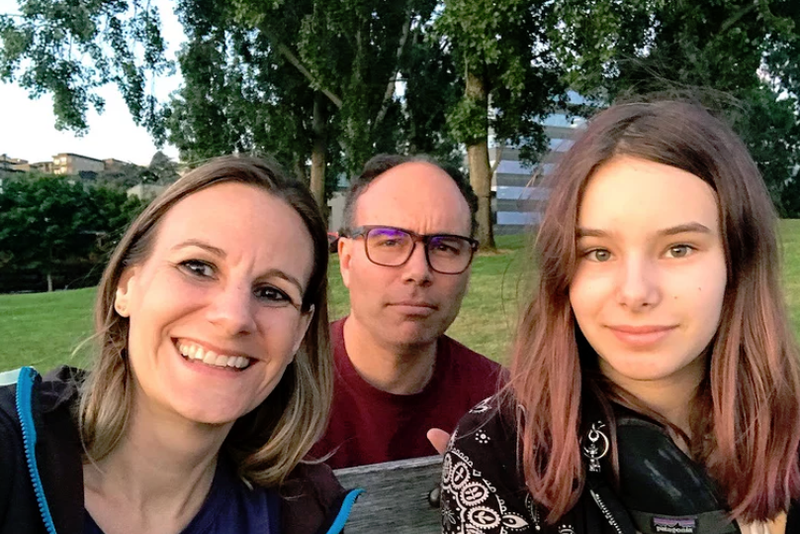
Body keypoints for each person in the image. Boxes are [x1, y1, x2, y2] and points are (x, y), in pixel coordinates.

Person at [440, 101, 800, 534]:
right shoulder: (499, 453)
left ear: (737, 264)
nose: (635, 293)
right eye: (598, 252)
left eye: (679, 248)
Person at [0, 156, 361, 534]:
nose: (234, 317)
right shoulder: (11, 453)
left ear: (300, 332)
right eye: (198, 267)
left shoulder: (300, 514)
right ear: (126, 286)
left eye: (272, 292)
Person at [310, 155, 504, 470]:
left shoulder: (504, 410)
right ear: (346, 261)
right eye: (390, 242)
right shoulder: (273, 394)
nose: (418, 271)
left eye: (445, 247)